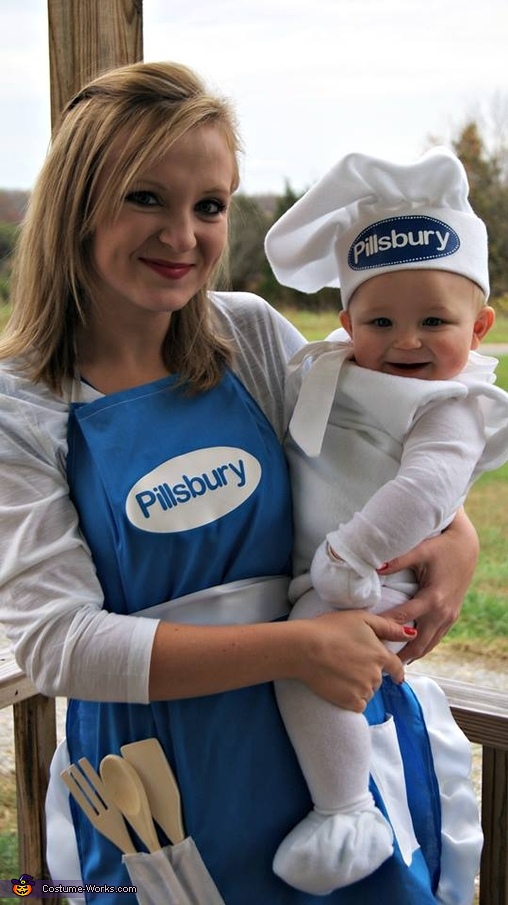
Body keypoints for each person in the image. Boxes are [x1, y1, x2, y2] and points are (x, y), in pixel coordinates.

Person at [0, 62, 479, 905]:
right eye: (144, 197)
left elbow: (376, 460)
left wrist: (458, 540)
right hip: (160, 777)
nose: (183, 236)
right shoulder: (21, 403)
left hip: (326, 743)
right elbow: (59, 644)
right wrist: (295, 647)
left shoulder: (247, 337)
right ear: (77, 201)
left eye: (209, 206)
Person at [264, 147, 508, 899]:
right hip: (328, 562)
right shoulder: (328, 367)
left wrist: (351, 550)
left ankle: (348, 812)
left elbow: (430, 486)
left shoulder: (453, 401)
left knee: (304, 652)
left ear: (479, 328)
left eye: (435, 320)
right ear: (346, 322)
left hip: (364, 575)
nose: (406, 340)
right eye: (381, 319)